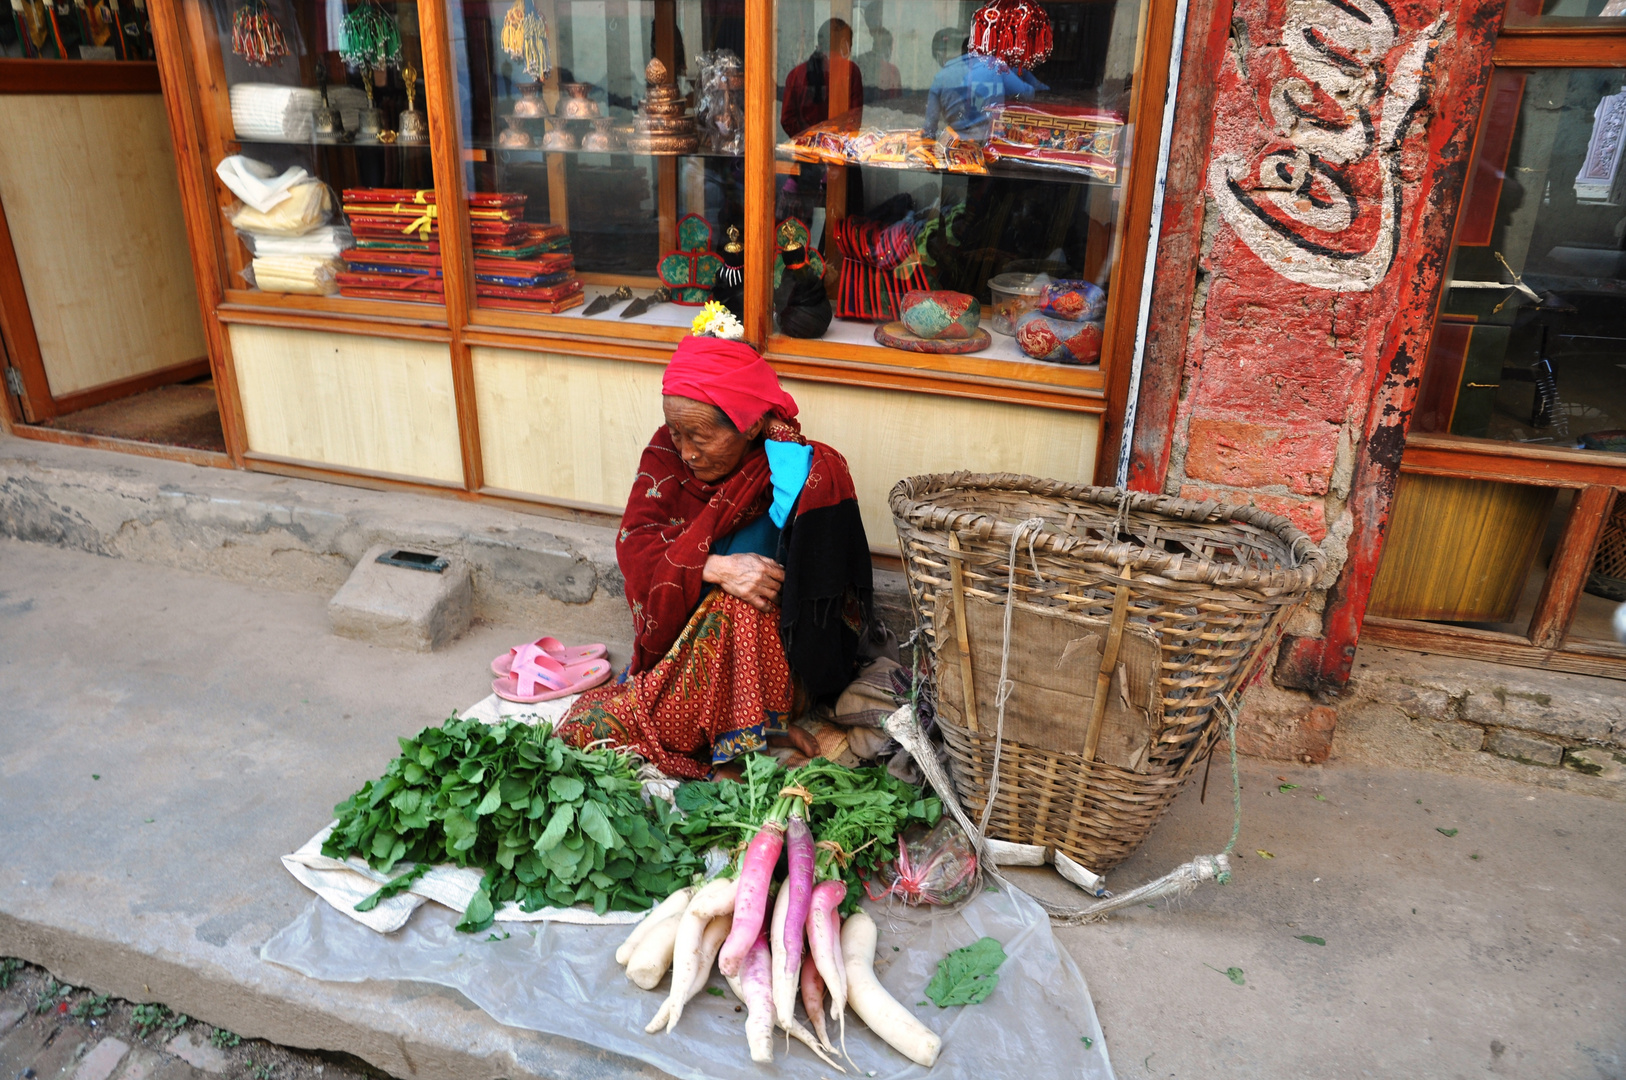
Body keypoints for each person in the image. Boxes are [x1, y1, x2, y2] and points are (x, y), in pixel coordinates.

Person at [556, 328, 874, 778]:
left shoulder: (792, 466)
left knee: (742, 605)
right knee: (585, 729)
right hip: (684, 651)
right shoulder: (666, 454)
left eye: (700, 437)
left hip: (772, 658)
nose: (684, 451)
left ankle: (748, 738)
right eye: (675, 431)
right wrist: (716, 568)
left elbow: (822, 587)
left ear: (750, 425)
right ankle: (747, 738)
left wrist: (748, 583)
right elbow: (636, 544)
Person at [781, 17, 864, 136]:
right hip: (838, 151)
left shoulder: (795, 74)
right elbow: (854, 121)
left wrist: (807, 140)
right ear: (844, 43)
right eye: (850, 44)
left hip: (804, 151)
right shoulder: (850, 71)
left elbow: (787, 120)